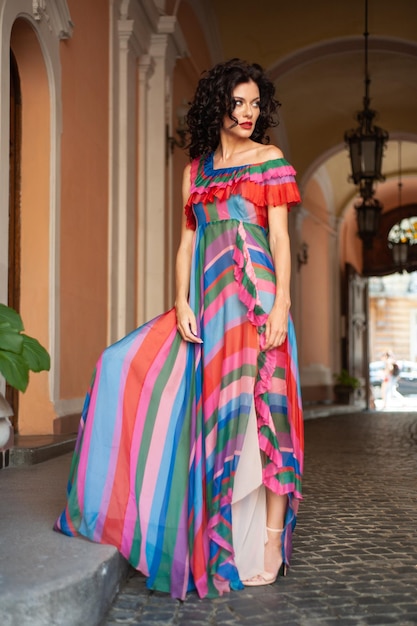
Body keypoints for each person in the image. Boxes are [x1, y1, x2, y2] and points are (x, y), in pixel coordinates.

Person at [54, 58, 304, 599]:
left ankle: (266, 545)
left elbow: (281, 240)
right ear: (218, 104)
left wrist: (282, 303)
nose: (247, 113)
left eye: (255, 104)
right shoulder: (195, 172)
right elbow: (188, 242)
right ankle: (216, 538)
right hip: (209, 306)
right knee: (133, 371)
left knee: (264, 413)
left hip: (256, 299)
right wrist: (180, 299)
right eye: (238, 102)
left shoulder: (271, 160)